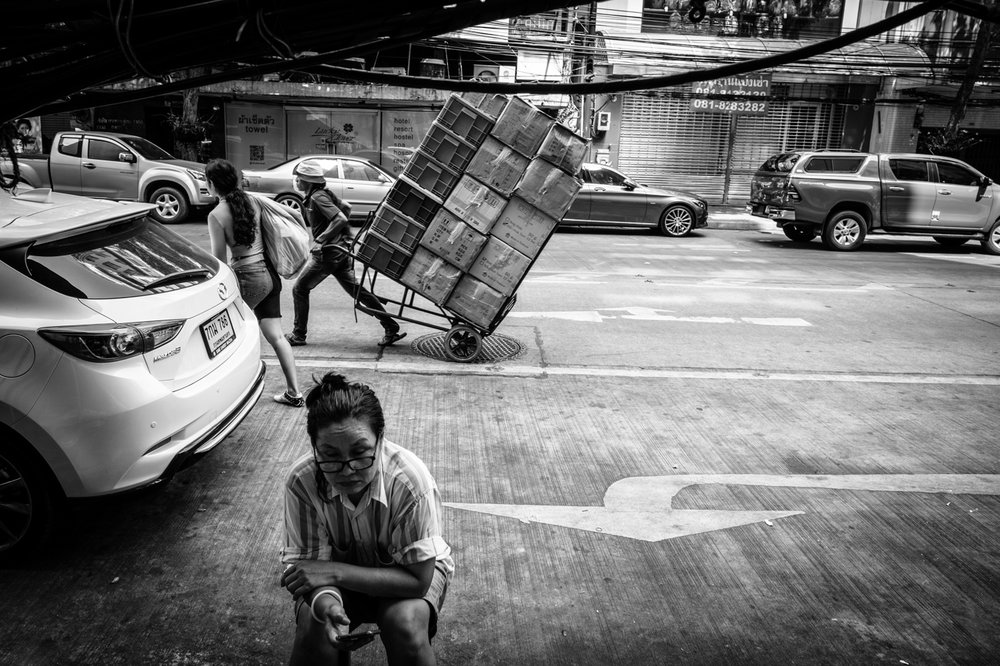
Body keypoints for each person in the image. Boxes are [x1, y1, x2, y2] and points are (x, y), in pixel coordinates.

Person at [280, 373, 453, 665]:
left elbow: (417, 582)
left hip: (406, 576)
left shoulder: (411, 482)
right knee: (317, 628)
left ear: (381, 440)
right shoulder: (302, 481)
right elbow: (310, 570)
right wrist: (327, 604)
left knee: (405, 626)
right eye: (330, 456)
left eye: (360, 453)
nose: (347, 470)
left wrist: (335, 573)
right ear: (314, 448)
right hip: (334, 582)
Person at [204, 158, 304, 408]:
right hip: (269, 275)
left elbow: (219, 260)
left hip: (248, 277)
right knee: (276, 336)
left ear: (212, 184)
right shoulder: (252, 200)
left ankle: (232, 395)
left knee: (228, 337)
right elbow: (293, 212)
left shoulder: (216, 214)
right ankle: (294, 392)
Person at [285, 161, 406, 348]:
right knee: (357, 291)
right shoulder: (320, 195)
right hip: (339, 253)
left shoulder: (318, 197)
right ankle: (391, 326)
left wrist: (321, 239)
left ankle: (298, 335)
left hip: (328, 255)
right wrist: (341, 237)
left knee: (299, 289)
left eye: (299, 178)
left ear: (307, 181)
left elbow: (340, 217)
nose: (296, 182)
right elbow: (346, 207)